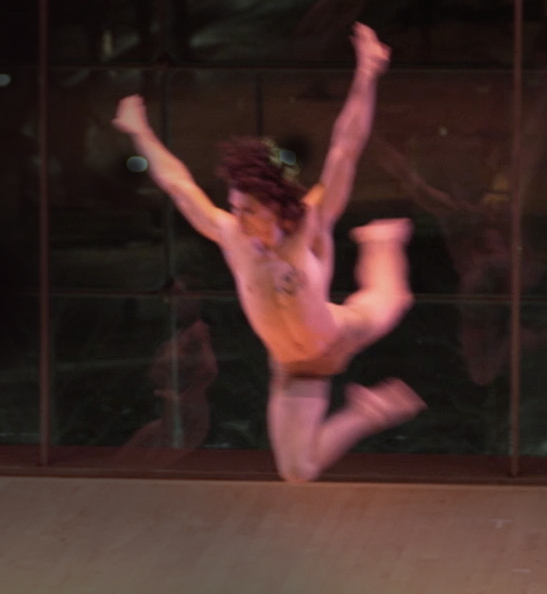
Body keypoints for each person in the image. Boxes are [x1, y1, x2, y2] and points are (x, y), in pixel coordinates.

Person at [112, 22, 426, 483]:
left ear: (275, 205)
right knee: (297, 471)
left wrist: (367, 72)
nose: (237, 217)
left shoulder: (308, 226)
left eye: (249, 209)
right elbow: (178, 184)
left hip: (339, 337)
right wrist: (138, 130)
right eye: (235, 206)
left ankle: (382, 239)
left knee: (392, 298)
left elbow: (345, 149)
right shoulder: (230, 234)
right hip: (294, 368)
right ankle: (368, 411)